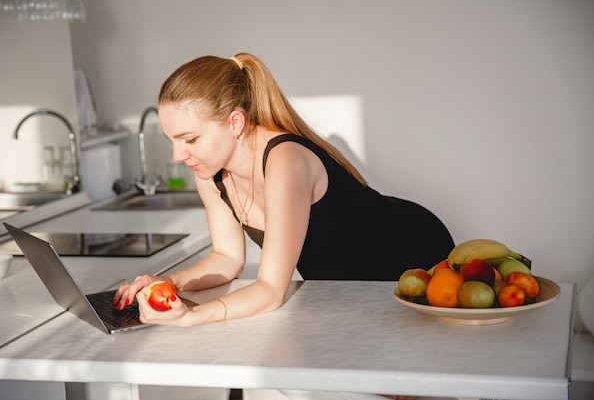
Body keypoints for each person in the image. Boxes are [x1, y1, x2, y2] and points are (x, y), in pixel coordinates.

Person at [112, 52, 454, 328]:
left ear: (235, 122)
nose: (178, 155)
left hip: (411, 254)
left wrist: (194, 316)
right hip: (348, 290)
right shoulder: (209, 173)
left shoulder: (285, 160)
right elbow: (227, 259)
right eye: (171, 140)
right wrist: (167, 282)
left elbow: (271, 290)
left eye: (190, 139)